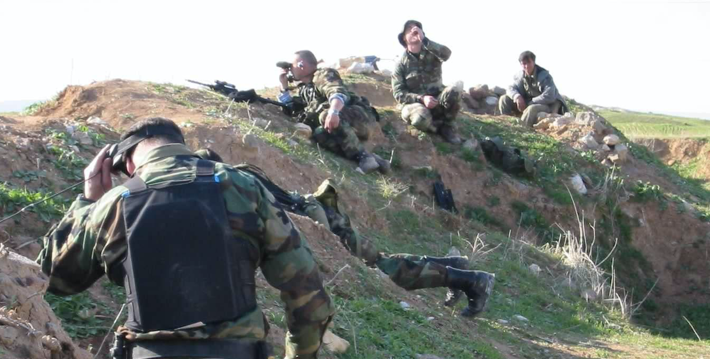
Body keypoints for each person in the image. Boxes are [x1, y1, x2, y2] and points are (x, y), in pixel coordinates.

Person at [38, 118, 334, 359]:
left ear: (127, 160)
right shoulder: (241, 185)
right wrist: (303, 353)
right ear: (179, 143)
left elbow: (54, 278)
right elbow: (302, 281)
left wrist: (87, 201)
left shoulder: (114, 202)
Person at [196, 149, 495, 317]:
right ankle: (456, 269)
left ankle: (471, 281)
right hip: (319, 211)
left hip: (315, 223)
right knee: (379, 261)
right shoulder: (241, 173)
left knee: (383, 270)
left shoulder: (226, 185)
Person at [277, 50, 389, 174]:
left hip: (360, 118)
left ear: (301, 65)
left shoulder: (323, 75)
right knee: (318, 134)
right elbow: (294, 111)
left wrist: (333, 112)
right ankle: (374, 159)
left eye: (290, 66)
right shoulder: (305, 89)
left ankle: (364, 158)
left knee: (325, 115)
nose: (289, 71)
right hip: (341, 125)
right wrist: (284, 87)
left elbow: (338, 93)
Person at [391, 20, 462, 144]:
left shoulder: (432, 52)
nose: (414, 31)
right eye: (409, 29)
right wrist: (422, 98)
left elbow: (446, 54)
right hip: (415, 104)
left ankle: (448, 126)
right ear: (404, 38)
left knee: (457, 86)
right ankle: (436, 127)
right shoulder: (400, 64)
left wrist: (426, 41)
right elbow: (399, 94)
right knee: (421, 118)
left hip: (437, 101)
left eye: (417, 28)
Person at [498, 51, 568, 127]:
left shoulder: (544, 76)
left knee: (532, 108)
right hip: (528, 102)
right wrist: (517, 97)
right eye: (524, 64)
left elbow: (549, 96)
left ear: (533, 62)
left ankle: (522, 129)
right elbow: (511, 88)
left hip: (547, 105)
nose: (527, 66)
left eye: (529, 63)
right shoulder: (520, 76)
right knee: (504, 99)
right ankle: (506, 125)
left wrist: (531, 102)